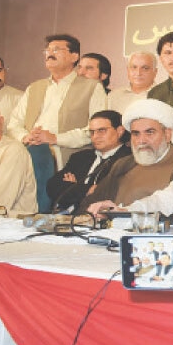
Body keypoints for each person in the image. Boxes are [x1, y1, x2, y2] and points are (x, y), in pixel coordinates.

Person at [8, 34, 107, 212]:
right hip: (30, 155)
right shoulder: (34, 88)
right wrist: (26, 136)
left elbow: (94, 131)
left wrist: (55, 138)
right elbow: (14, 123)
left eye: (56, 50)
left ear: (74, 56)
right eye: (47, 50)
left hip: (67, 160)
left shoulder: (92, 87)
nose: (49, 54)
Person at [79, 99, 173, 209]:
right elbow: (91, 203)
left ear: (167, 134)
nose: (141, 141)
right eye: (136, 134)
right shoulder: (123, 164)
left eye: (149, 132)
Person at [45, 110, 132, 212]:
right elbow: (52, 187)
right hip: (63, 216)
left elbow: (105, 194)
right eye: (92, 132)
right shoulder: (80, 157)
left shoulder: (127, 159)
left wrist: (73, 187)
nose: (95, 136)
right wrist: (87, 189)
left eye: (101, 130)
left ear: (119, 131)